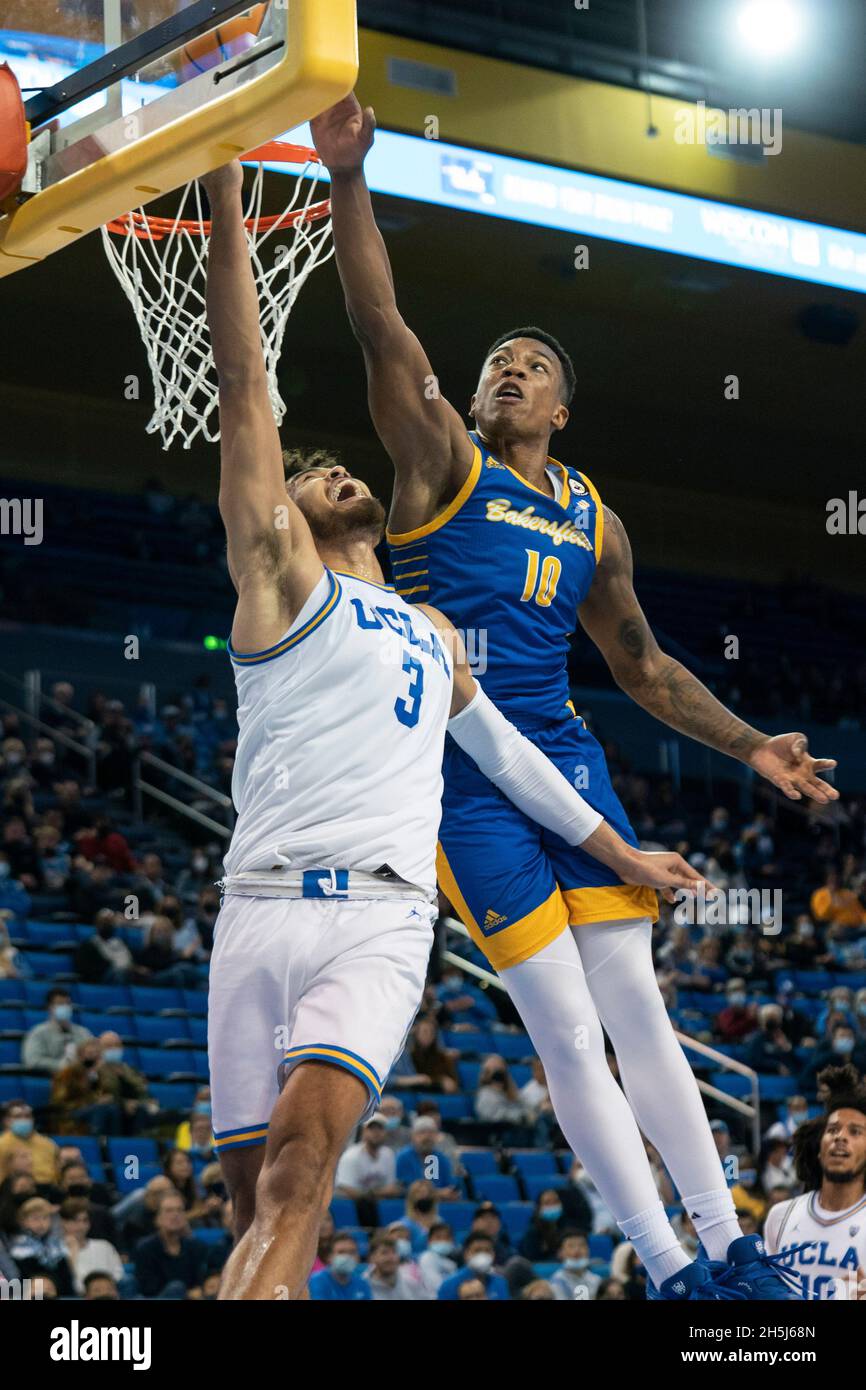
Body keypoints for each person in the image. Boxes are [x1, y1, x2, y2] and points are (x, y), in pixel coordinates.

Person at [312, 89, 837, 1303]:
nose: (508, 368)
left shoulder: (596, 518)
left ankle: (729, 1250)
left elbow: (644, 668)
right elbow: (380, 322)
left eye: (532, 366)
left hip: (562, 748)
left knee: (634, 1008)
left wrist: (754, 742)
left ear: (560, 409)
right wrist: (346, 181)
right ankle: (663, 1264)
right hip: (456, 769)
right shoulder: (442, 462)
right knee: (560, 1019)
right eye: (499, 357)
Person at [200, 156, 706, 1303]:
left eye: (334, 466)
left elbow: (515, 761)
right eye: (313, 470)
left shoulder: (432, 628)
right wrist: (228, 200)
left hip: (379, 915)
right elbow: (242, 381)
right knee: (250, 1208)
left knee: (296, 1177)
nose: (327, 472)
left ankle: (692, 1254)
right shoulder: (282, 579)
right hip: (254, 906)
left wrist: (620, 853)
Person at [765, 1064, 866, 1300]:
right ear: (819, 1148)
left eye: (855, 1132)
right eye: (832, 1130)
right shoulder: (780, 1215)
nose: (840, 1137)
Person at [133, 1190, 209, 1299]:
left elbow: (202, 1281)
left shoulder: (198, 1247)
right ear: (157, 1218)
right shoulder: (145, 1248)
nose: (175, 1215)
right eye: (169, 1211)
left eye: (180, 1210)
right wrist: (186, 1294)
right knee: (176, 1288)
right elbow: (148, 1289)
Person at [9, 1196, 75, 1297]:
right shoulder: (19, 1248)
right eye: (35, 1218)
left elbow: (66, 1277)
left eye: (45, 1218)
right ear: (24, 1221)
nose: (41, 1223)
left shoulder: (57, 1245)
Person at [59, 1197, 125, 1295]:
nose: (81, 1226)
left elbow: (118, 1275)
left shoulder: (104, 1246)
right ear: (63, 1223)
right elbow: (76, 1287)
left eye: (85, 1221)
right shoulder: (56, 1251)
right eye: (75, 1221)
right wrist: (72, 1254)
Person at [21, 988, 91, 1074]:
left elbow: (94, 1055)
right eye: (60, 1004)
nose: (65, 1007)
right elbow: (32, 1061)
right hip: (50, 1079)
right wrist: (60, 1065)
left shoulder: (83, 1032)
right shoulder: (37, 1033)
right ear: (49, 1007)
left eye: (68, 1004)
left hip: (79, 1079)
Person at [334, 1114, 400, 1200]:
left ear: (386, 1132)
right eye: (371, 1128)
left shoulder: (388, 1154)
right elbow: (346, 1189)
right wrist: (376, 1194)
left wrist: (372, 1194)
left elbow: (391, 1188)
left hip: (377, 1204)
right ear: (363, 1132)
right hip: (351, 1205)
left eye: (380, 1128)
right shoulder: (351, 1156)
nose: (376, 1132)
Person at [396, 1117, 458, 1198]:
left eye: (431, 1133)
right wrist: (437, 1193)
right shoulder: (403, 1157)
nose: (427, 1137)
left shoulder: (442, 1159)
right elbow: (403, 1189)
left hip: (438, 1205)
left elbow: (450, 1186)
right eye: (422, 1132)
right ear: (413, 1136)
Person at [0, 1102, 60, 1185]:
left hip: (47, 1189)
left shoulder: (48, 1144)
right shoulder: (2, 1144)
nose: (24, 1120)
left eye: (27, 1116)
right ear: (6, 1121)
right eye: (18, 1116)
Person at [437, 1233, 509, 1300]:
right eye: (477, 1250)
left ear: (493, 1254)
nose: (483, 1255)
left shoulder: (501, 1283)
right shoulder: (449, 1285)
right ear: (466, 1254)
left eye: (487, 1250)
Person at [364, 1231, 432, 1300]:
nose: (391, 1258)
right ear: (372, 1258)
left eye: (394, 1252)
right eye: (384, 1253)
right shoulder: (363, 1287)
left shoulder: (410, 1283)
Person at [74, 910, 135, 985]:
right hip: (102, 978)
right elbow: (84, 969)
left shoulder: (119, 942)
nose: (109, 925)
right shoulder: (89, 945)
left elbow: (129, 961)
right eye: (105, 922)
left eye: (111, 922)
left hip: (126, 972)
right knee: (120, 972)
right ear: (97, 924)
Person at [308, 1233, 372, 1301]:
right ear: (329, 1256)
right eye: (341, 1252)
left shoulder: (362, 1283)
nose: (347, 1257)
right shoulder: (316, 1280)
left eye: (352, 1252)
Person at [519, 1189, 572, 1262]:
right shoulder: (532, 1232)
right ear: (539, 1208)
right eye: (547, 1203)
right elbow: (533, 1261)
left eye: (556, 1201)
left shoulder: (567, 1226)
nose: (552, 1205)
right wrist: (557, 1257)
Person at [410, 1016, 459, 1093]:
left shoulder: (444, 1058)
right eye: (425, 1032)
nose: (428, 1035)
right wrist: (439, 1080)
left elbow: (452, 1084)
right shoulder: (409, 1057)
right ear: (416, 1034)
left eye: (432, 1032)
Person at [550, 1230, 601, 1301]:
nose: (577, 1250)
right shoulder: (557, 1282)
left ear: (588, 1250)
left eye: (581, 1245)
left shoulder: (597, 1280)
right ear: (560, 1253)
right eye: (571, 1246)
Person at [417, 1220, 458, 1294]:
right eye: (438, 1237)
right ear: (429, 1241)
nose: (443, 1241)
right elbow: (437, 1287)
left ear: (453, 1240)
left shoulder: (457, 1258)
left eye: (447, 1237)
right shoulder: (427, 1258)